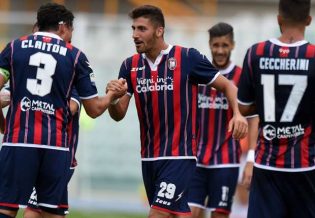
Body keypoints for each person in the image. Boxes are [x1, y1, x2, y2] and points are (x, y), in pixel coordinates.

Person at [107, 5, 248, 218]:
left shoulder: (187, 58)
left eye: (142, 29)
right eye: (133, 28)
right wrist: (112, 99)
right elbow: (118, 114)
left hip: (180, 156)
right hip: (149, 158)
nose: (135, 35)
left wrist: (237, 114)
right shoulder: (130, 66)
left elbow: (228, 85)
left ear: (159, 30)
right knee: (179, 214)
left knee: (157, 214)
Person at [0, 3, 126, 218]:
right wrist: (113, 96)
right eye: (71, 30)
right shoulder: (74, 56)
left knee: (6, 207)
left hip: (18, 141)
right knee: (51, 213)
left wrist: (4, 126)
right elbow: (94, 110)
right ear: (62, 27)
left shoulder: (14, 47)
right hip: (55, 147)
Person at [237, 0, 315, 217]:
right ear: (308, 20)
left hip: (266, 165)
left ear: (279, 19)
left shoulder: (256, 53)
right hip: (305, 166)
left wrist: (265, 104)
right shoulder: (313, 56)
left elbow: (243, 108)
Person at [187, 22, 244, 218]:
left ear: (232, 46)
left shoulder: (242, 76)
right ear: (210, 45)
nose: (220, 50)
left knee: (219, 215)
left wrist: (251, 157)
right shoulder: (198, 74)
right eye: (216, 45)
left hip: (226, 160)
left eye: (225, 45)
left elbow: (253, 119)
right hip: (196, 158)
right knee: (189, 213)